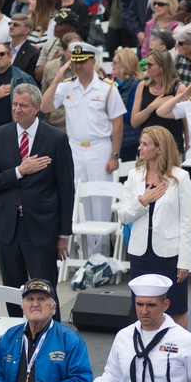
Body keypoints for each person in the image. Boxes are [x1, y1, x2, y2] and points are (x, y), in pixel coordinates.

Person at [0, 83, 75, 317]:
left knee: (45, 290)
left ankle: (52, 340)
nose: (17, 109)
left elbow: (66, 189)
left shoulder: (56, 139)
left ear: (36, 108)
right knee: (14, 292)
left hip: (42, 227)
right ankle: (17, 337)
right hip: (7, 227)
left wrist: (63, 234)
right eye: (14, 104)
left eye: (23, 105)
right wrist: (19, 171)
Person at [77, 274, 191, 382]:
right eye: (139, 304)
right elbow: (113, 376)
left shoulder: (184, 339)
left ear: (165, 305)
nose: (144, 311)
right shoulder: (123, 336)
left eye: (151, 305)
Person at [40, 42, 125, 257]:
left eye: (83, 62)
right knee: (75, 200)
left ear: (93, 62)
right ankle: (77, 253)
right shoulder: (66, 85)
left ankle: (101, 256)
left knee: (100, 203)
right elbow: (45, 107)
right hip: (74, 148)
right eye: (75, 62)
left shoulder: (107, 88)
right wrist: (57, 78)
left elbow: (118, 124)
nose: (78, 66)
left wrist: (115, 155)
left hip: (99, 148)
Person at [118, 126, 191, 328]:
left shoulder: (180, 177)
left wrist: (185, 260)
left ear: (159, 148)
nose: (140, 148)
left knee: (176, 306)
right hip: (140, 252)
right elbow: (123, 216)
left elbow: (187, 222)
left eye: (145, 144)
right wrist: (143, 201)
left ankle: (178, 352)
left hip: (169, 253)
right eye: (140, 143)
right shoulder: (134, 176)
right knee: (141, 306)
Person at [0, 279, 93, 382]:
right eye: (30, 299)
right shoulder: (9, 337)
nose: (35, 304)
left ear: (53, 307)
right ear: (23, 307)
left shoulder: (71, 340)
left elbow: (82, 380)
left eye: (41, 299)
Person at [0, 42, 39, 130]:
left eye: (2, 54)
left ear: (10, 57)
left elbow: (38, 107)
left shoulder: (23, 78)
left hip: (20, 131)